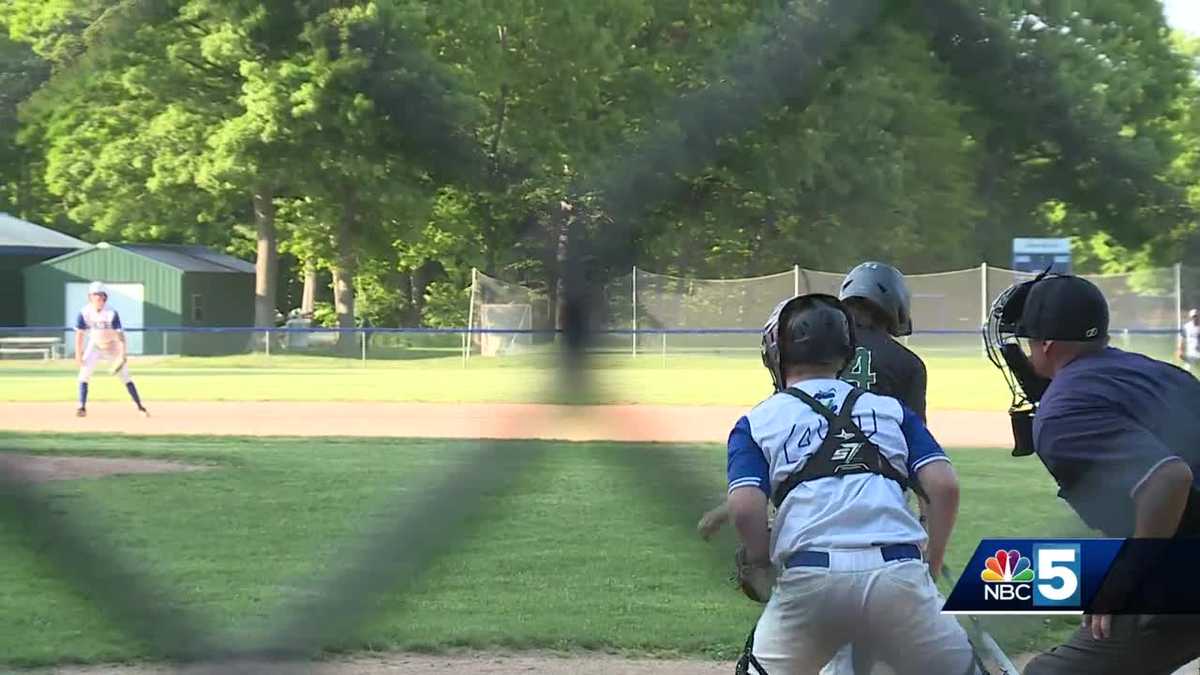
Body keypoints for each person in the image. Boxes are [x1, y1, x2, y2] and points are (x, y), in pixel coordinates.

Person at [729, 293, 978, 675]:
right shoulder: (890, 410)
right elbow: (944, 487)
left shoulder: (757, 421)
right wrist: (932, 561)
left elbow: (745, 507)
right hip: (899, 575)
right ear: (846, 353)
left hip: (810, 582)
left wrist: (760, 561)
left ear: (776, 354)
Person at [699, 262, 930, 674]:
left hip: (810, 520)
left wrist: (742, 522)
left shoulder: (813, 352)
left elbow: (790, 443)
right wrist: (928, 532)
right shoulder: (906, 364)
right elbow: (919, 465)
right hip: (886, 525)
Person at [991, 274, 1200, 675]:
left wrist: (1128, 576)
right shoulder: (1158, 372)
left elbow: (1169, 478)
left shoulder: (1063, 406)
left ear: (1046, 346)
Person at [75, 281, 149, 418]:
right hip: (95, 345)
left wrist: (123, 354)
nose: (97, 298)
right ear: (90, 297)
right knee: (83, 374)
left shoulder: (111, 313)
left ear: (105, 297)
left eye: (100, 295)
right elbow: (79, 333)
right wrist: (78, 354)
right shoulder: (84, 312)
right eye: (94, 295)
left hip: (112, 345)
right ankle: (81, 407)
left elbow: (120, 335)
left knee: (125, 376)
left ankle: (140, 407)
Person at [1177, 308, 1200, 373]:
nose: (1195, 318)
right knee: (1188, 371)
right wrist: (1180, 350)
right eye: (1193, 316)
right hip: (1191, 353)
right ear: (1190, 317)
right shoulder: (1186, 327)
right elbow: (1182, 339)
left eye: (1196, 316)